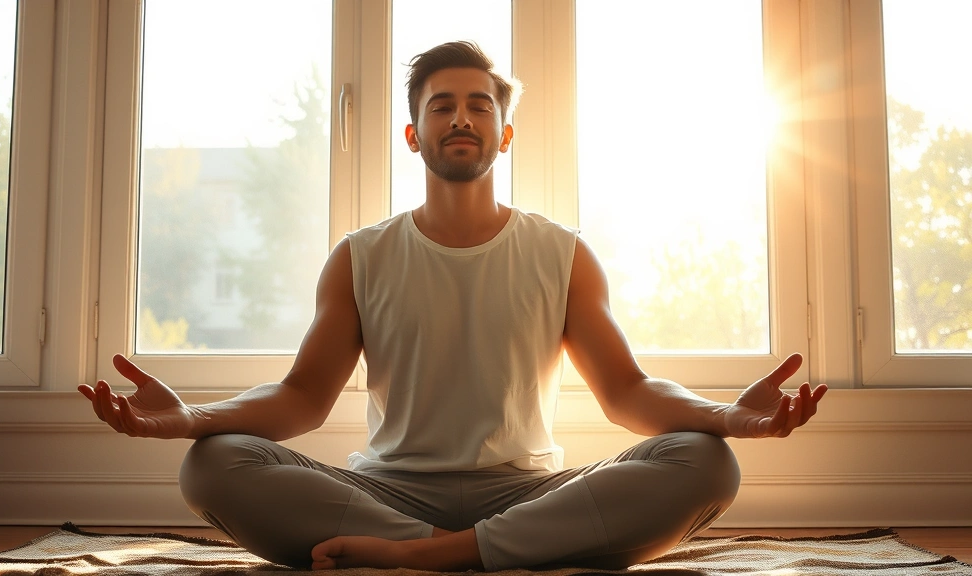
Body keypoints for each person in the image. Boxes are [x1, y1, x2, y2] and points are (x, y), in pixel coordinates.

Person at [79, 41, 828, 572]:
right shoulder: (360, 256)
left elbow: (628, 393)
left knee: (705, 464)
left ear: (505, 131)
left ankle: (431, 557)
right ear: (414, 133)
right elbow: (302, 399)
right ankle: (470, 549)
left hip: (528, 487)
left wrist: (729, 416)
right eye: (442, 107)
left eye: (478, 106)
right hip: (386, 488)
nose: (461, 118)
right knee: (210, 467)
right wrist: (188, 420)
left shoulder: (561, 252)